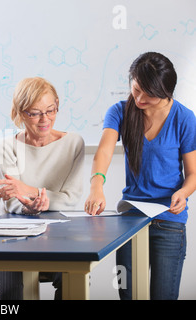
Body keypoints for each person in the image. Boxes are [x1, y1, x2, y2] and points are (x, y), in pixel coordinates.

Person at [84, 52, 196, 300]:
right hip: (130, 221)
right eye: (136, 89)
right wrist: (96, 186)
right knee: (129, 295)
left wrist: (183, 192)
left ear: (167, 91)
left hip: (169, 221)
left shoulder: (185, 118)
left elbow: (193, 174)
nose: (140, 98)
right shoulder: (120, 111)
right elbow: (103, 151)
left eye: (150, 94)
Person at [0, 77, 85, 299]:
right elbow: (12, 201)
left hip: (61, 233)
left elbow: (70, 199)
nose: (45, 120)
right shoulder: (6, 146)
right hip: (11, 233)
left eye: (51, 110)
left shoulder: (73, 143)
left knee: (74, 283)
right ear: (20, 112)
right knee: (11, 291)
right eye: (34, 113)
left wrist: (27, 189)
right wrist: (31, 207)